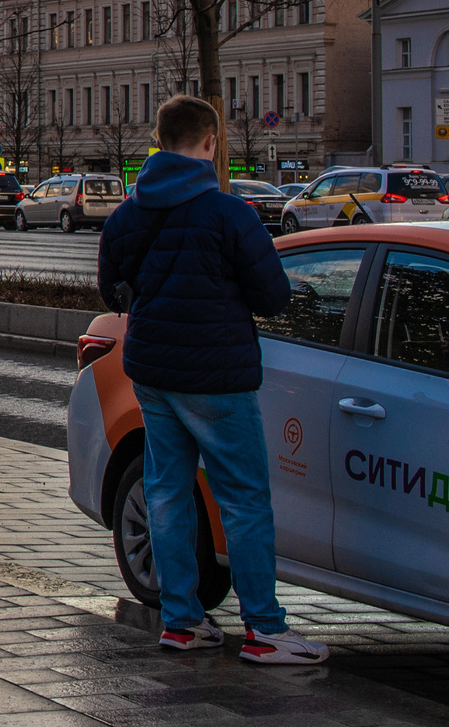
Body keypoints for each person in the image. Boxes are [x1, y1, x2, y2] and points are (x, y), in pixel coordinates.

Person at [97, 94, 323, 666]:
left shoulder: (127, 216)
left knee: (167, 493)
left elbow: (110, 288)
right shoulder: (231, 214)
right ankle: (266, 629)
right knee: (244, 499)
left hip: (151, 371)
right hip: (218, 376)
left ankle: (182, 621)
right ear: (211, 144)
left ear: (157, 139)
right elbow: (273, 296)